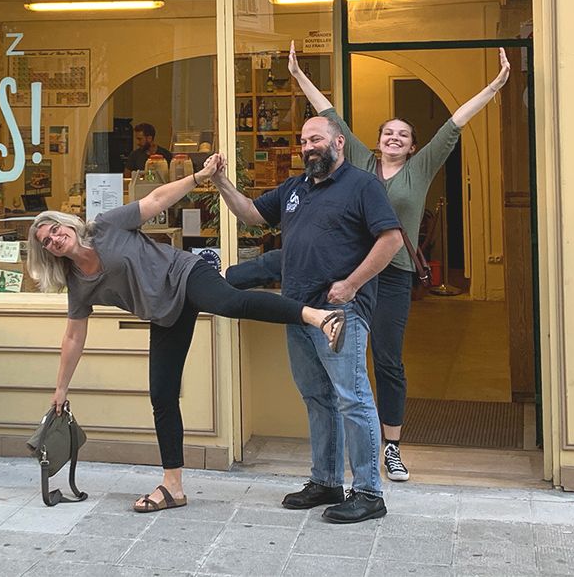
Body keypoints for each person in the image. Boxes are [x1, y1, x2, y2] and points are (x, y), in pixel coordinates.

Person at [28, 155, 346, 515]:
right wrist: (60, 388)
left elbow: (157, 200)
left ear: (67, 225)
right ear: (47, 253)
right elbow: (73, 337)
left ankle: (319, 317)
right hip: (164, 314)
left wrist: (200, 176)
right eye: (47, 241)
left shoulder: (104, 227)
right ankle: (173, 487)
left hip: (184, 275)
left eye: (55, 229)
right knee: (162, 396)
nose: (55, 239)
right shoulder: (77, 283)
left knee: (229, 302)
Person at [288, 42, 511, 482]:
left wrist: (495, 86)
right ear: (376, 140)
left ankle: (391, 447)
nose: (394, 138)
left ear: (412, 148)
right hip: (351, 275)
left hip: (392, 278)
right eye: (388, 132)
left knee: (387, 360)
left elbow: (455, 123)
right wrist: (297, 75)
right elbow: (330, 115)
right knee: (341, 361)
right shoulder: (361, 161)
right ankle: (341, 454)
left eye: (403, 135)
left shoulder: (421, 168)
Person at [212, 116, 402, 524]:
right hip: (298, 311)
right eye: (303, 141)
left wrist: (352, 284)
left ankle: (369, 492)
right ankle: (327, 481)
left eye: (315, 139)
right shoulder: (295, 188)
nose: (307, 147)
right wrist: (221, 182)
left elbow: (392, 239)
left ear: (338, 142)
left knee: (353, 399)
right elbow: (250, 214)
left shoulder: (363, 185)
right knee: (317, 398)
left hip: (339, 313)